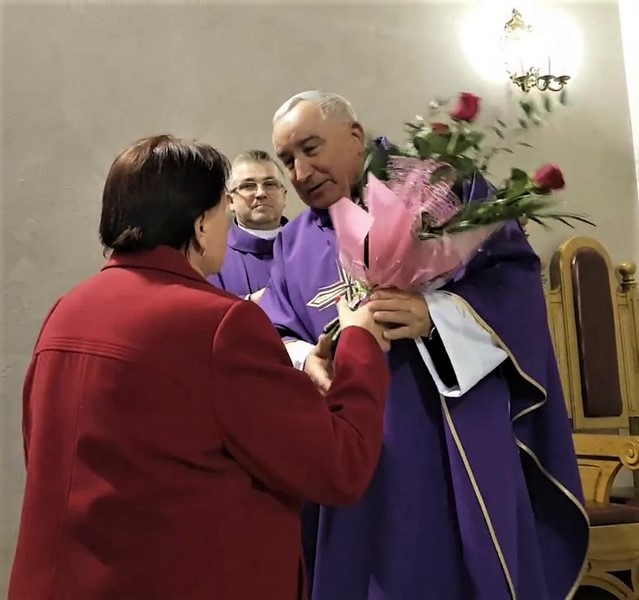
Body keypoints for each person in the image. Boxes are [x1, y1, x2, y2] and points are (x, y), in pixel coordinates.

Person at [8, 134, 392, 600]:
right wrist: (360, 343)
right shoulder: (220, 324)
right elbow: (338, 467)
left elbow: (54, 449)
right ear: (200, 225)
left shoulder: (67, 310)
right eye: (222, 210)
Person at [259, 91, 590, 599]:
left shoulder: (440, 190)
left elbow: (514, 285)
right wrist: (307, 361)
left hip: (448, 437)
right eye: (287, 161)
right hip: (351, 445)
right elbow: (277, 332)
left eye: (310, 149)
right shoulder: (292, 242)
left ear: (355, 135)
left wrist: (435, 314)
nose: (300, 173)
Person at [208, 149, 288, 302]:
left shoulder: (309, 245)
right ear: (230, 201)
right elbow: (206, 308)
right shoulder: (211, 256)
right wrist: (250, 301)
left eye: (270, 184)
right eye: (248, 186)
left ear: (284, 196)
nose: (261, 193)